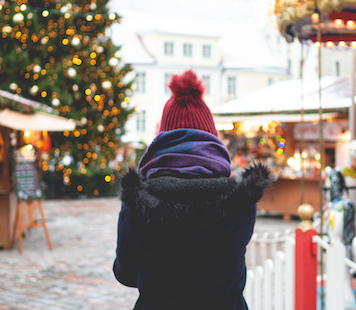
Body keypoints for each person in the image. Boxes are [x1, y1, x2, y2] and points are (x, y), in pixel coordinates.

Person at [113, 70, 272, 310]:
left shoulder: (139, 198)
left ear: (161, 140)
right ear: (212, 138)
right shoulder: (240, 197)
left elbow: (125, 273)